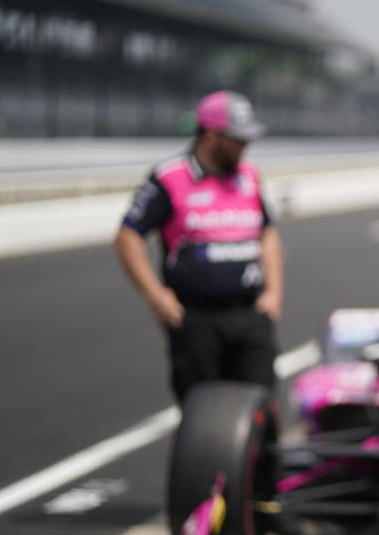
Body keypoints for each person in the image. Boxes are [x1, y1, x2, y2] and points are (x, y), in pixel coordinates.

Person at [114, 90, 283, 404]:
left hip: (250, 314)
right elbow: (128, 236)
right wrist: (156, 296)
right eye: (237, 138)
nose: (245, 145)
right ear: (210, 134)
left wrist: (273, 294)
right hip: (196, 320)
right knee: (202, 413)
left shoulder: (249, 177)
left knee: (260, 412)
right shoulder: (169, 178)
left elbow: (268, 233)